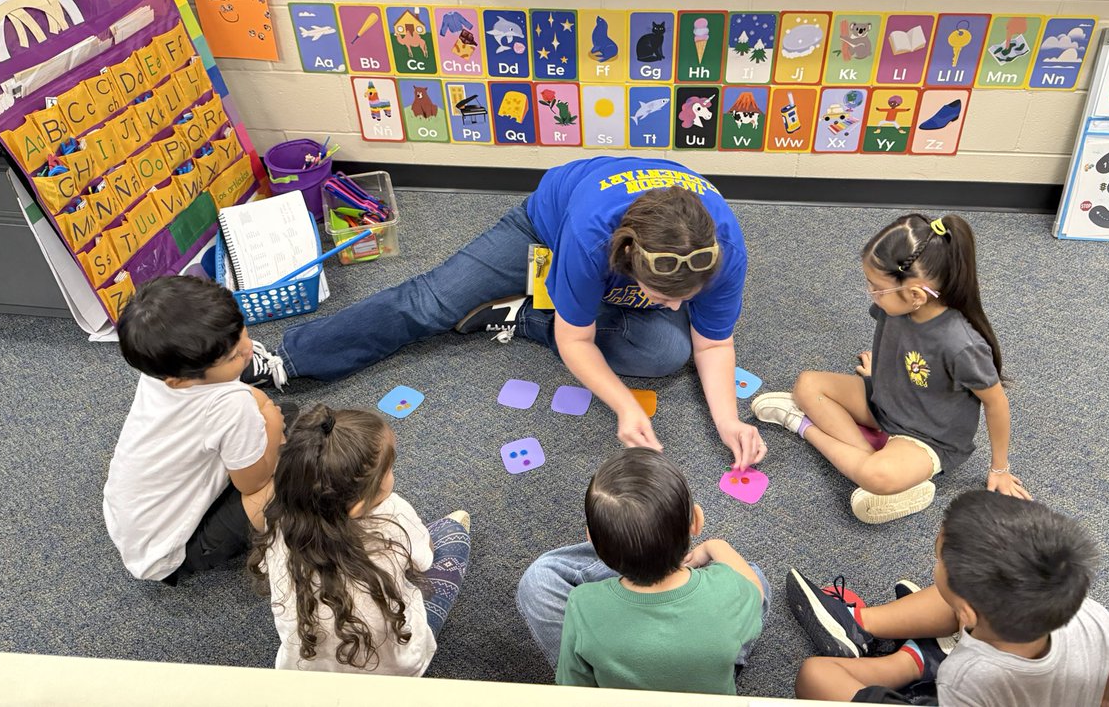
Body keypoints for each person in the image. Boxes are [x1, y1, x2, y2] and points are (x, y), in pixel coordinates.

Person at [264, 157, 766, 469]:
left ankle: (518, 315)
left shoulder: (726, 252)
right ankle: (289, 357)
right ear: (625, 262)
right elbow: (576, 342)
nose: (678, 307)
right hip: (545, 224)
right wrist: (624, 405)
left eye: (686, 296)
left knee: (667, 350)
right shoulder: (591, 239)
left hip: (609, 252)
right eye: (663, 296)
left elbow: (714, 343)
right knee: (434, 300)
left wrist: (728, 423)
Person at [785, 492, 1109, 705]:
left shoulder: (969, 674)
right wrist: (1091, 688)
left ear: (967, 615)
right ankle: (910, 649)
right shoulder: (1088, 615)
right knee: (980, 590)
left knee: (814, 675)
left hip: (965, 690)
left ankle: (916, 660)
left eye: (938, 558)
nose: (935, 562)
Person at [752, 213, 1027, 523]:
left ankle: (801, 426)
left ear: (915, 295)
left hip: (928, 438)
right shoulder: (896, 304)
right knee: (807, 385)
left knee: (876, 476)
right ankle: (877, 465)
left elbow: (996, 403)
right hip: (884, 399)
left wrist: (999, 468)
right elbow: (907, 348)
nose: (871, 293)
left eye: (876, 287)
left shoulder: (961, 344)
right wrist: (882, 369)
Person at [516, 448, 768, 694]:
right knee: (754, 574)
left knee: (540, 576)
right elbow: (755, 591)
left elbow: (575, 688)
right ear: (696, 521)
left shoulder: (582, 604)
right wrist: (716, 546)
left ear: (591, 540)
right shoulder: (728, 591)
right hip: (707, 682)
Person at [251, 406, 470, 674]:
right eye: (388, 470)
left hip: (305, 676)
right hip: (396, 670)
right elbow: (424, 561)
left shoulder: (279, 518)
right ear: (357, 506)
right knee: (452, 536)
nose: (392, 475)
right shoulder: (394, 514)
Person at [102, 276, 288, 583]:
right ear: (182, 379)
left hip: (131, 519)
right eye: (231, 357)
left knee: (280, 422)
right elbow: (253, 484)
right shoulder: (230, 407)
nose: (246, 350)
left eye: (241, 332)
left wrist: (263, 414)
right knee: (300, 468)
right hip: (171, 553)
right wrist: (269, 419)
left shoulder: (161, 371)